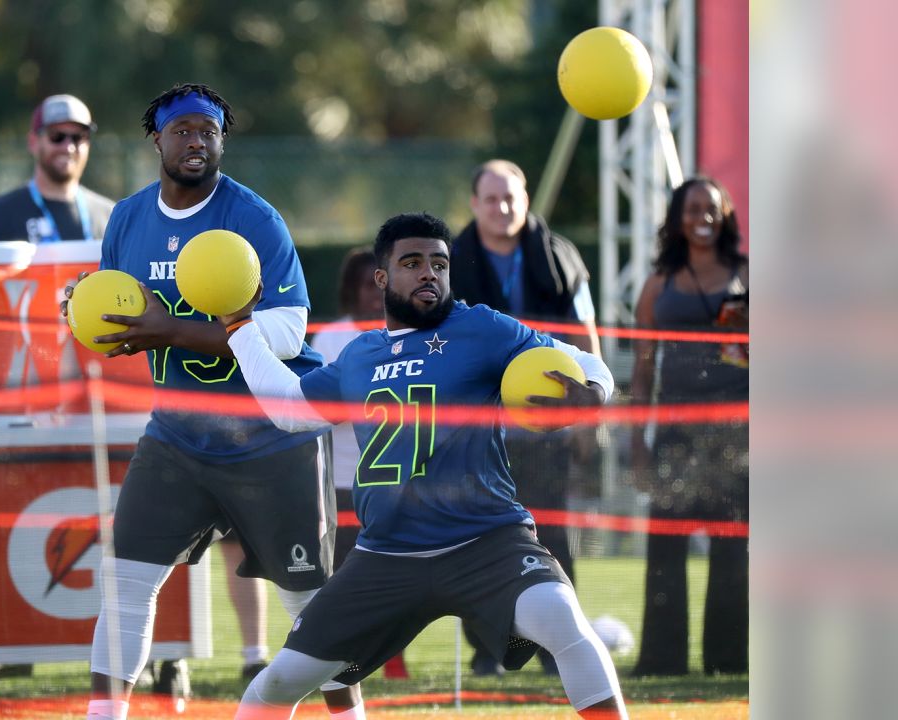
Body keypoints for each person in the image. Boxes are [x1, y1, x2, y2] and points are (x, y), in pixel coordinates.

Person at [222, 212, 627, 719]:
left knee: (563, 620)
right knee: (276, 682)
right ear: (382, 277)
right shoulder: (360, 355)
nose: (429, 273)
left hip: (487, 541)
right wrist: (240, 328)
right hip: (385, 554)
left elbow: (588, 362)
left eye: (439, 263)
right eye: (412, 263)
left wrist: (591, 394)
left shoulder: (481, 326)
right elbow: (289, 410)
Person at [61, 82, 364, 720]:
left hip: (270, 438)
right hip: (177, 433)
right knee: (126, 586)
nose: (197, 142)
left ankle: (350, 716)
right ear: (158, 139)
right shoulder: (127, 218)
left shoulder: (253, 217)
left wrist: (168, 329)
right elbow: (124, 305)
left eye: (209, 131)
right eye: (184, 131)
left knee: (309, 605)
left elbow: (288, 331)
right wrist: (93, 318)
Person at [449, 159, 600, 675]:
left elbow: (585, 334)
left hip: (548, 425)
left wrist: (589, 418)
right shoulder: (450, 261)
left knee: (551, 534)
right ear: (474, 204)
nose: (502, 207)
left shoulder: (561, 256)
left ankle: (564, 648)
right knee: (476, 536)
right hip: (475, 428)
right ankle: (488, 649)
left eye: (511, 197)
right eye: (491, 199)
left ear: (526, 199)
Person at [630, 177, 749, 676]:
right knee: (666, 547)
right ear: (677, 217)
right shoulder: (658, 283)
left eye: (711, 208)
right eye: (691, 208)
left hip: (738, 435)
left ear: (724, 216)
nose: (701, 217)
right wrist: (637, 441)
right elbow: (641, 369)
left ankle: (727, 658)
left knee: (733, 548)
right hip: (675, 435)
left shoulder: (747, 275)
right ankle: (662, 660)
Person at [307, 248, 405, 680]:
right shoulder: (330, 339)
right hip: (344, 482)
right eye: (368, 285)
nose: (375, 294)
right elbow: (316, 404)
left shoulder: (412, 335)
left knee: (399, 578)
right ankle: (346, 660)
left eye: (381, 283)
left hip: (400, 481)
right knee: (346, 581)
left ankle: (395, 661)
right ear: (351, 289)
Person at [0, 93, 115, 242]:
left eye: (78, 137)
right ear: (33, 142)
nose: (68, 147)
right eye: (57, 136)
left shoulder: (112, 217)